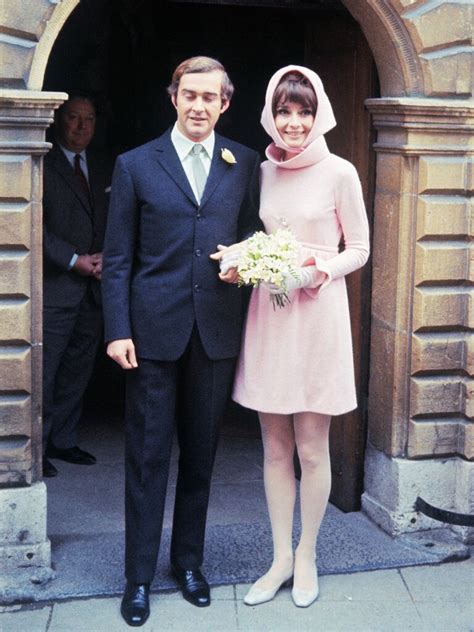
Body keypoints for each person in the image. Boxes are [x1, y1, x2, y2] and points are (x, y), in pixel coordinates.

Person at [101, 56, 261, 627]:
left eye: (209, 97)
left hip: (214, 332)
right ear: (174, 98)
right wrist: (117, 328)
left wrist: (247, 260)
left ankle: (189, 564)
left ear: (225, 103)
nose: (198, 105)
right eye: (189, 94)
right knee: (146, 458)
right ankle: (138, 577)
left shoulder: (243, 162)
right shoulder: (137, 164)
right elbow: (117, 258)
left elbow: (251, 233)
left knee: (201, 455)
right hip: (150, 335)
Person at [219, 65, 370, 608]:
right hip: (270, 315)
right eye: (284, 110)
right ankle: (279, 556)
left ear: (319, 112)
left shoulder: (340, 172)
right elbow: (259, 237)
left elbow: (360, 248)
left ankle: (307, 554)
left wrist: (312, 272)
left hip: (316, 314)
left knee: (311, 446)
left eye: (303, 111)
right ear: (271, 113)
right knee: (275, 447)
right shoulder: (260, 171)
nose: (294, 122)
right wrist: (244, 260)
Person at [42, 94, 112, 478]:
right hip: (57, 288)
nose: (82, 126)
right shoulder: (42, 162)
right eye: (73, 118)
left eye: (89, 119)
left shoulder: (103, 167)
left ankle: (63, 441)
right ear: (58, 120)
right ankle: (36, 446)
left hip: (94, 289)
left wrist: (106, 257)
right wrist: (73, 260)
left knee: (77, 369)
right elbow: (30, 225)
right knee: (45, 371)